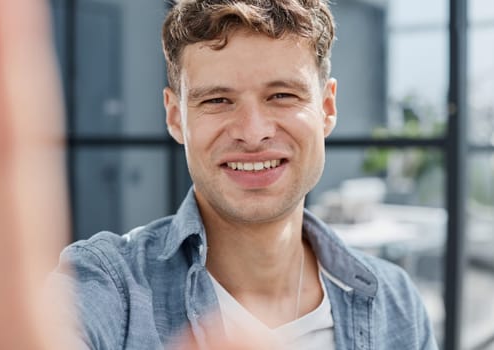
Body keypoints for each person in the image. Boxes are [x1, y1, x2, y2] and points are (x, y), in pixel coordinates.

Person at [49, 0, 439, 349]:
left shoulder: (394, 302)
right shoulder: (109, 286)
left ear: (326, 108)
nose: (253, 132)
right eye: (217, 100)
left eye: (282, 95)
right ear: (175, 117)